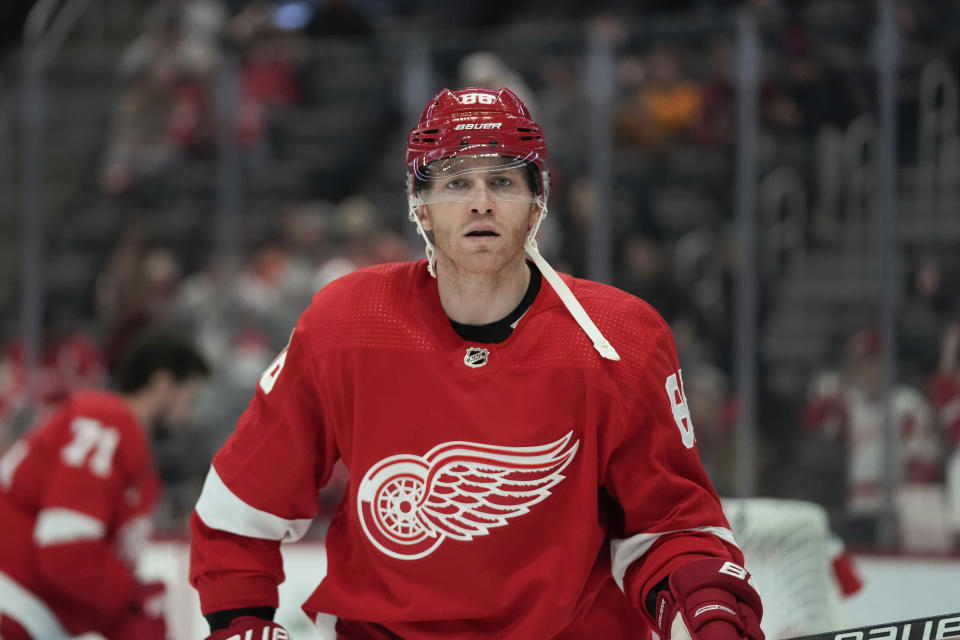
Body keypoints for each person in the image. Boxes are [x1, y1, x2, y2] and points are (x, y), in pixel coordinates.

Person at [190, 87, 765, 640]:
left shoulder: (620, 338)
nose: (480, 201)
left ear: (537, 199)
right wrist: (240, 623)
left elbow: (671, 528)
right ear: (420, 203)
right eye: (456, 182)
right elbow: (239, 510)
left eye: (503, 181)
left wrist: (708, 613)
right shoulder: (345, 323)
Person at [0, 332, 209, 639]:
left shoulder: (134, 457)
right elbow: (65, 547)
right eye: (188, 399)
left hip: (34, 615)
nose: (187, 415)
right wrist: (130, 601)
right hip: (14, 604)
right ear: (163, 384)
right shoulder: (106, 423)